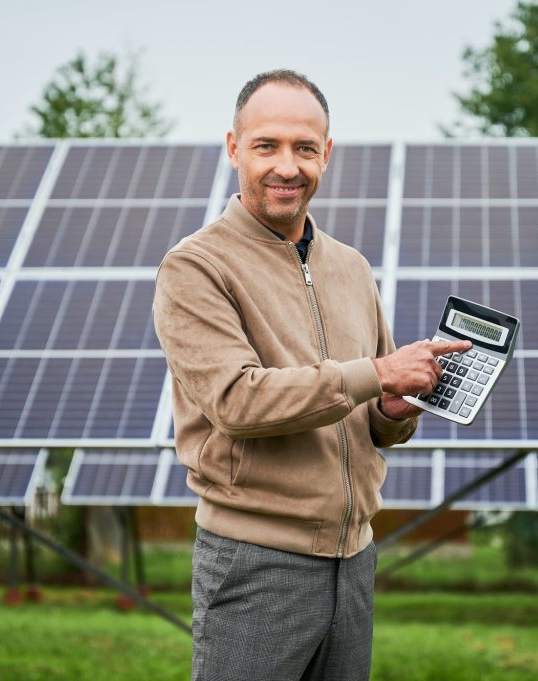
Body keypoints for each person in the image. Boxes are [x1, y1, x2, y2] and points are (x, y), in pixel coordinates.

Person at [153, 69, 471, 681]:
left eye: (304, 148)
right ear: (233, 148)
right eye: (266, 145)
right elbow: (237, 402)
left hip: (354, 560)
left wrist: (395, 408)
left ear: (326, 153)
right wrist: (376, 372)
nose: (287, 166)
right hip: (255, 562)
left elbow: (371, 411)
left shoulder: (351, 268)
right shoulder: (195, 267)